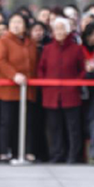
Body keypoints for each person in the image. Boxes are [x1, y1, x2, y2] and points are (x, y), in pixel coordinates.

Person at [38, 17, 85, 163]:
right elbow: (41, 69)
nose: (59, 32)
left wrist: (75, 84)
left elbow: (82, 70)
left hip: (71, 94)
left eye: (62, 28)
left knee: (73, 127)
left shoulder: (76, 49)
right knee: (53, 127)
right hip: (51, 94)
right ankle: (56, 154)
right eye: (56, 29)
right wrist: (45, 85)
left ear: (68, 30)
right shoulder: (47, 49)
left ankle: (73, 155)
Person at [0, 13, 38, 162]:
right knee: (7, 121)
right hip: (10, 88)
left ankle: (26, 151)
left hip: (27, 88)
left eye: (19, 22)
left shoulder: (30, 42)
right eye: (13, 22)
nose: (16, 25)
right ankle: (4, 151)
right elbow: (0, 60)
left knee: (27, 121)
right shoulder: (5, 40)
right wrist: (14, 75)